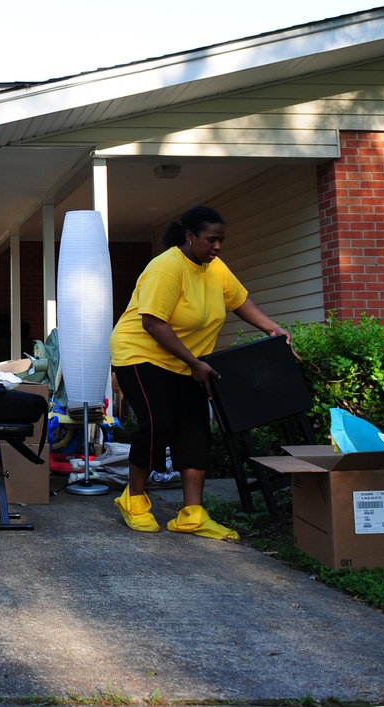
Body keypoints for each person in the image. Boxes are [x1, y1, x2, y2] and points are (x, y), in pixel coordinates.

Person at [109, 205, 293, 540]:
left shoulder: (215, 268)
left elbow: (240, 301)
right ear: (190, 236)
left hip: (188, 360)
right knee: (158, 423)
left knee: (195, 429)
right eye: (212, 240)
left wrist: (273, 330)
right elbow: (152, 322)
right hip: (141, 354)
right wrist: (195, 363)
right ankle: (133, 499)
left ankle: (192, 514)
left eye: (221, 240)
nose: (218, 246)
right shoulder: (166, 268)